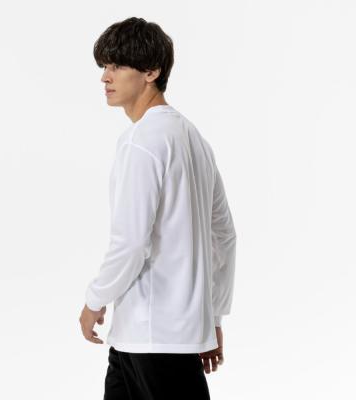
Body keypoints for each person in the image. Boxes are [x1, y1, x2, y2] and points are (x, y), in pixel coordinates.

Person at [79, 16, 236, 400]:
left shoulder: (142, 141)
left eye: (117, 66)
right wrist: (211, 317)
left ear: (151, 71)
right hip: (143, 340)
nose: (105, 77)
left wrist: (94, 300)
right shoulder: (194, 140)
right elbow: (224, 236)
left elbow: (131, 242)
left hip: (152, 337)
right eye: (104, 65)